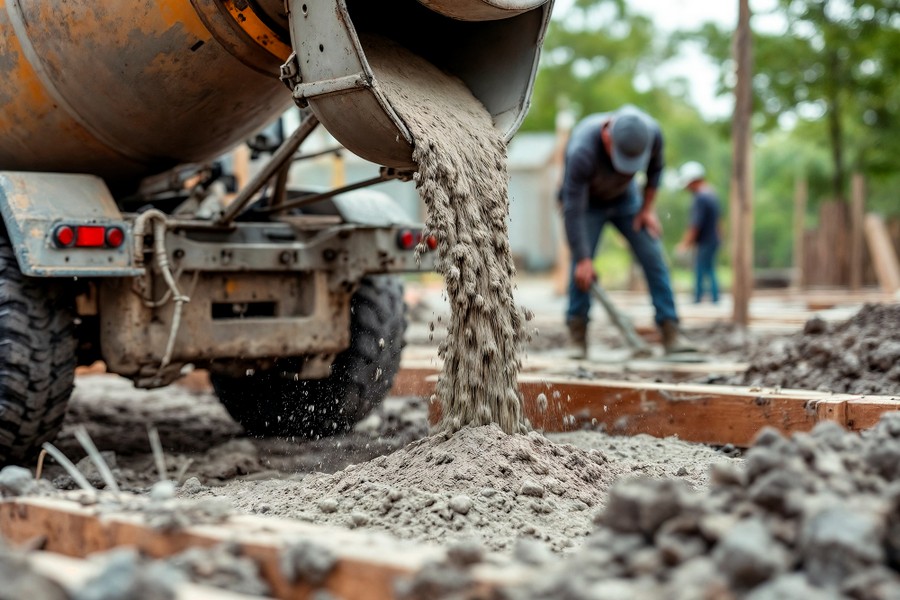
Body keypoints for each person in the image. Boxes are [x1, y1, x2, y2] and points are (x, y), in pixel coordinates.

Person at [559, 104, 697, 359]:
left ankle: (671, 331)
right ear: (607, 136)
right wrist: (583, 257)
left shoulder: (652, 134)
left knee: (654, 256)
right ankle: (577, 334)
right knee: (581, 268)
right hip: (587, 204)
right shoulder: (582, 150)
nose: (626, 169)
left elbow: (655, 172)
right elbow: (572, 209)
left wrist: (646, 209)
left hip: (627, 201)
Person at [675, 161, 721, 304]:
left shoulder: (701, 197)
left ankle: (697, 297)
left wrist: (685, 243)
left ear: (693, 181)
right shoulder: (712, 193)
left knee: (700, 268)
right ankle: (715, 298)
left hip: (706, 240)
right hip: (713, 239)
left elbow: (695, 225)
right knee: (709, 268)